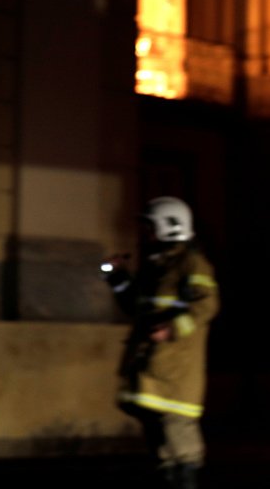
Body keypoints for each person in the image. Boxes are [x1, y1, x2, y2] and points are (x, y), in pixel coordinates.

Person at [101, 196, 220, 489]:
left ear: (171, 227)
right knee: (160, 444)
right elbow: (137, 307)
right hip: (152, 367)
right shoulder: (157, 266)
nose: (145, 233)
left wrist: (171, 328)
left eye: (150, 227)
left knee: (180, 440)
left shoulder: (192, 263)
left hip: (175, 372)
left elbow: (206, 304)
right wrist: (117, 278)